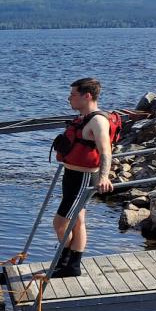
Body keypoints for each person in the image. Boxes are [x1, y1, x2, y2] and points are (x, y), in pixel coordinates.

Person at [48, 78, 115, 278]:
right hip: (71, 175)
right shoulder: (84, 117)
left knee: (59, 224)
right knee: (78, 221)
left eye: (73, 95)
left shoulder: (97, 121)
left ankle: (66, 260)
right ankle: (71, 266)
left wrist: (104, 176)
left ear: (87, 96)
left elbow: (106, 151)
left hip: (83, 178)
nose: (69, 98)